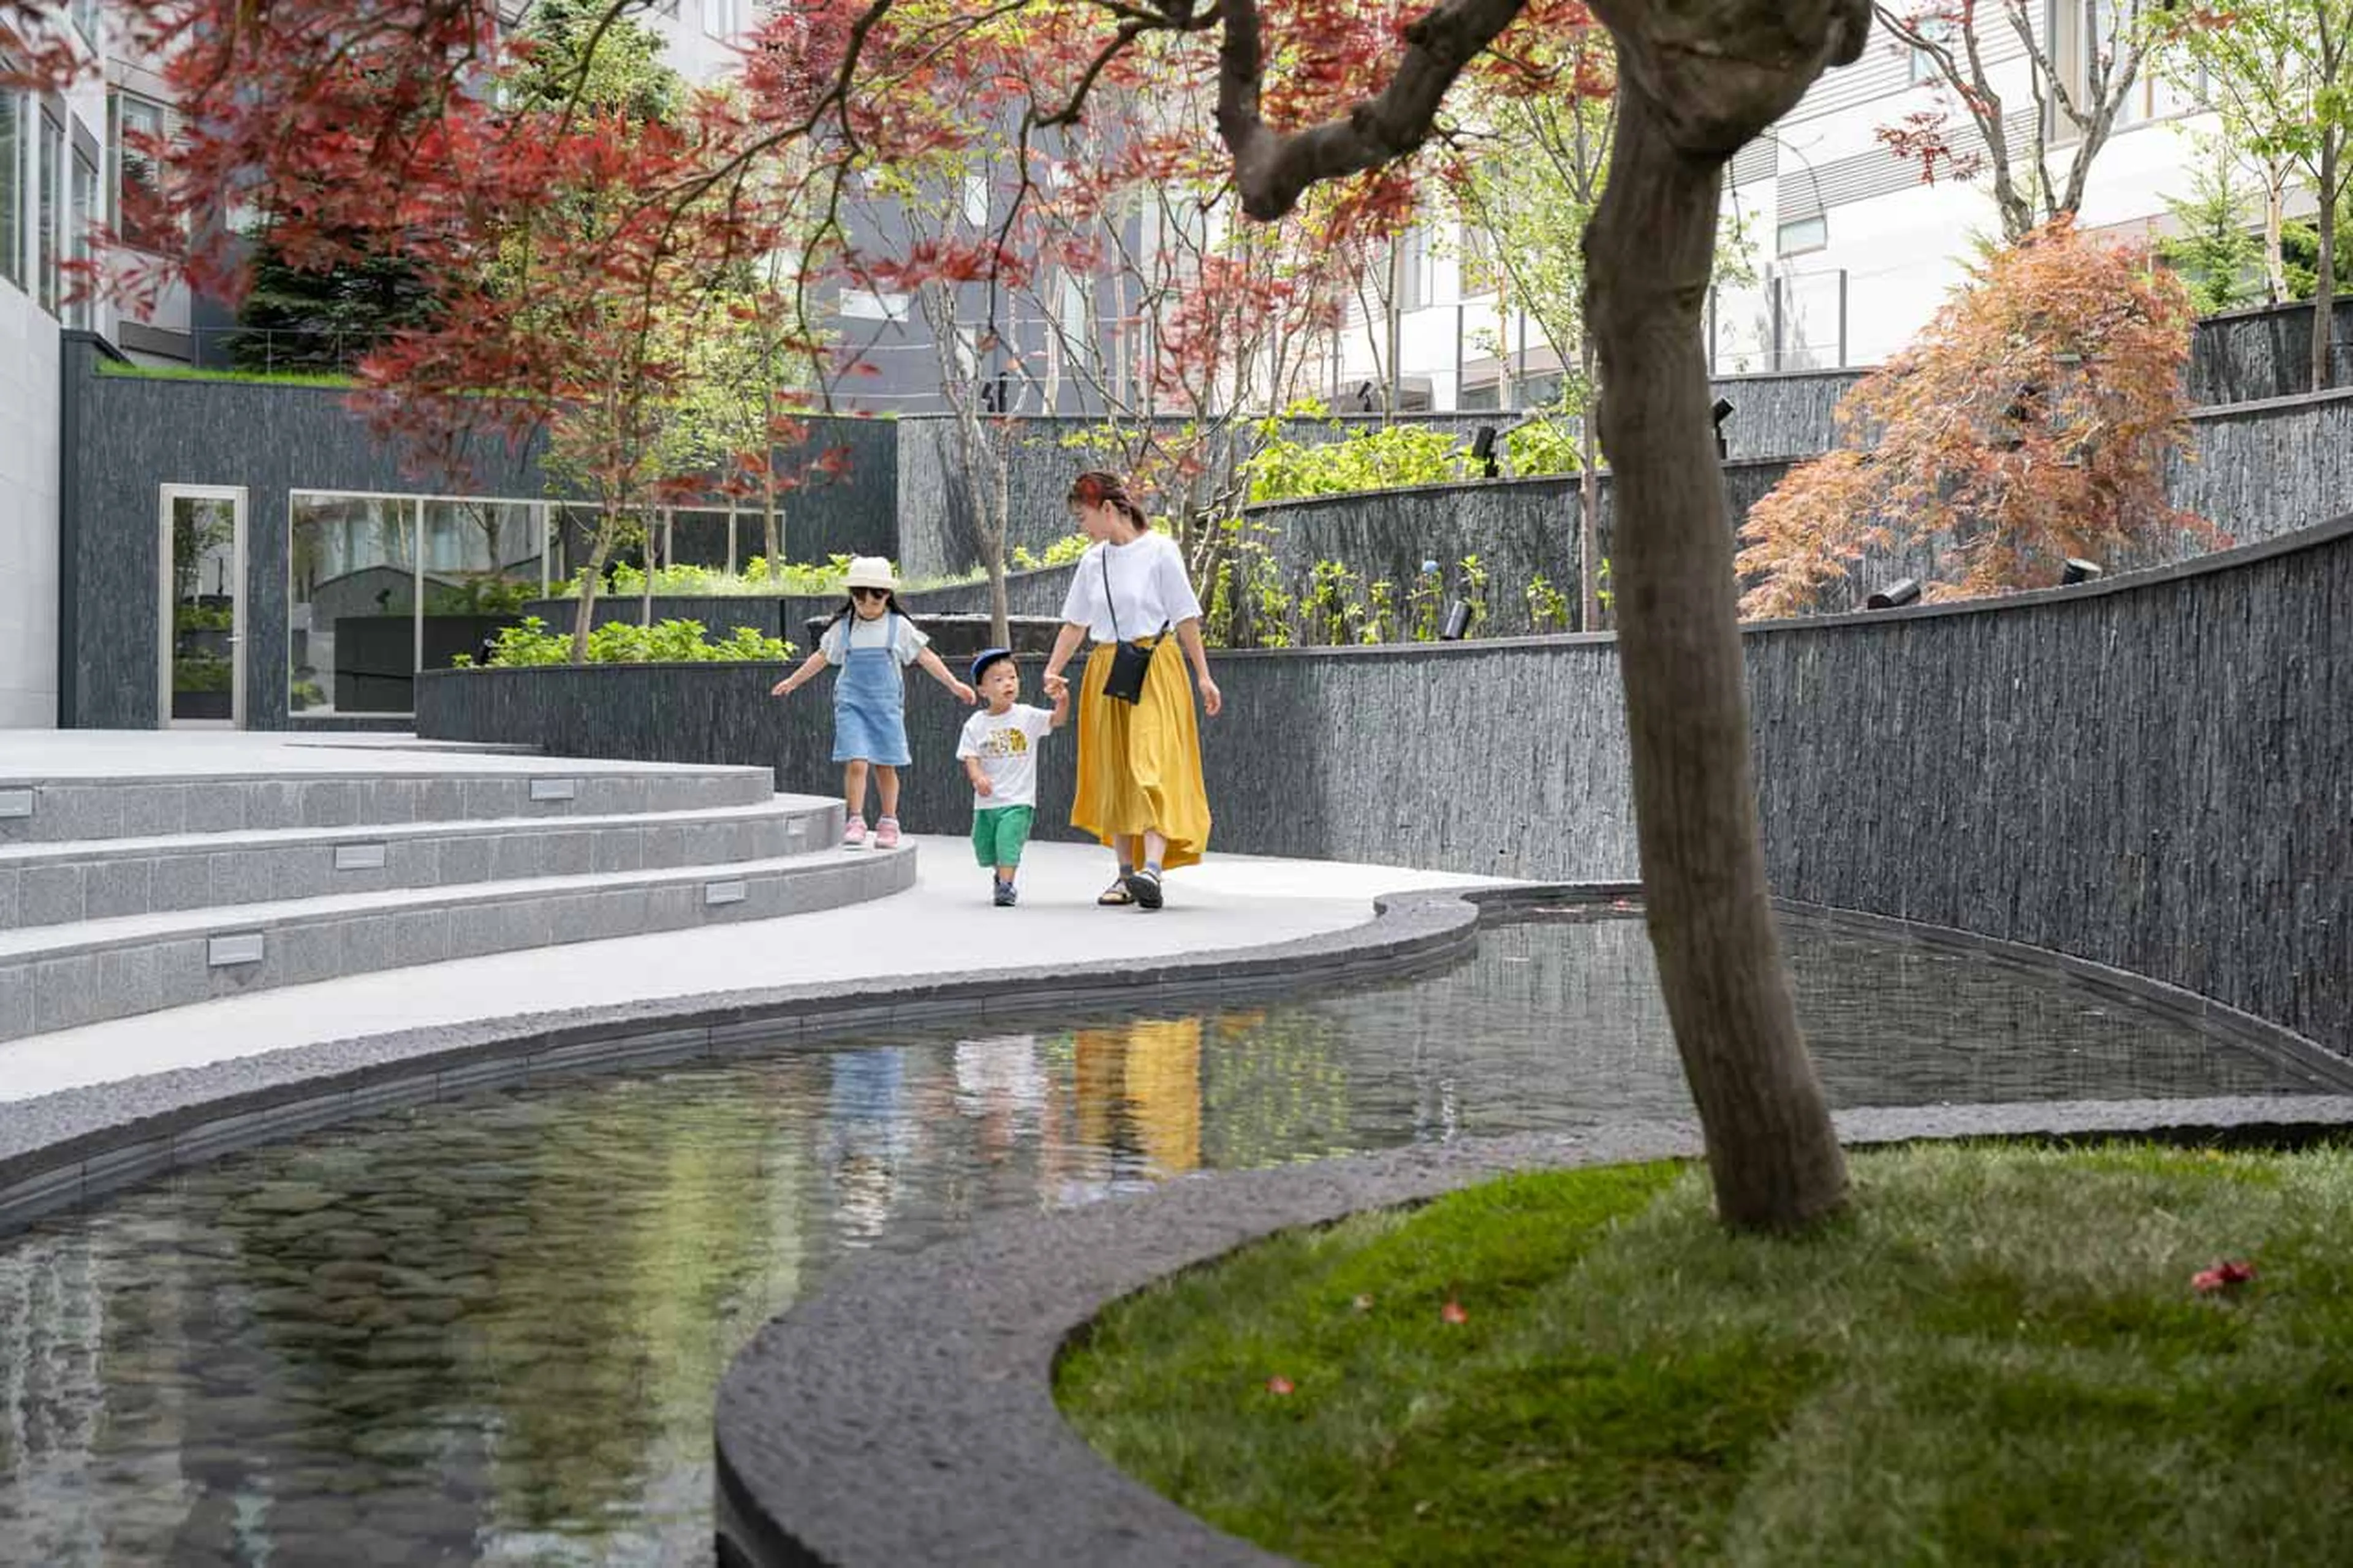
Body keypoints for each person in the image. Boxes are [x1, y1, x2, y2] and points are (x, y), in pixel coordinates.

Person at [1041, 471, 1221, 911]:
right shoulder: (1093, 561)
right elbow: (1075, 623)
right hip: (1107, 666)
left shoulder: (1160, 551)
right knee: (1117, 768)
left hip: (1155, 665)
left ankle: (1153, 870)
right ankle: (1125, 876)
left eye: (1083, 516)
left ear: (1108, 509)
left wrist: (1203, 675)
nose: (1081, 526)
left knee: (1152, 764)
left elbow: (1185, 617)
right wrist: (1053, 669)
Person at [771, 556, 974, 847]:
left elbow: (926, 657)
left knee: (886, 765)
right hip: (852, 703)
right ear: (853, 597)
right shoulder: (845, 627)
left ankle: (889, 821)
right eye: (860, 601)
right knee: (857, 761)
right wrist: (793, 681)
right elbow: (822, 657)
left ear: (887, 596)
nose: (867, 608)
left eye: (874, 603)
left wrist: (954, 684)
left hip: (886, 707)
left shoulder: (899, 627)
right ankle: (855, 819)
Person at [957, 646, 1069, 906]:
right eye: (998, 679)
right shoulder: (976, 723)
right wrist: (978, 778)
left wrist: (1062, 701)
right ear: (983, 690)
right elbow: (970, 756)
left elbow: (1057, 721)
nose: (1007, 683)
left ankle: (1006, 886)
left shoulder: (1026, 715)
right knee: (985, 846)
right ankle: (1000, 875)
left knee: (1008, 842)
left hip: (1018, 800)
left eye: (1012, 677)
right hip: (987, 801)